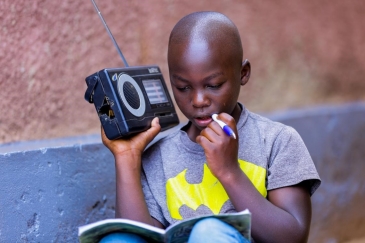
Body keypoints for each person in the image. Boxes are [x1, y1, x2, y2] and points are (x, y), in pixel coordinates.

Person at [100, 11, 321, 243]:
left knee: (209, 233)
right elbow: (139, 238)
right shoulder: (158, 158)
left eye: (213, 85)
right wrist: (127, 158)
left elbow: (293, 237)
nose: (198, 100)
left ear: (243, 73)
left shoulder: (277, 141)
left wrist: (229, 171)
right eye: (183, 87)